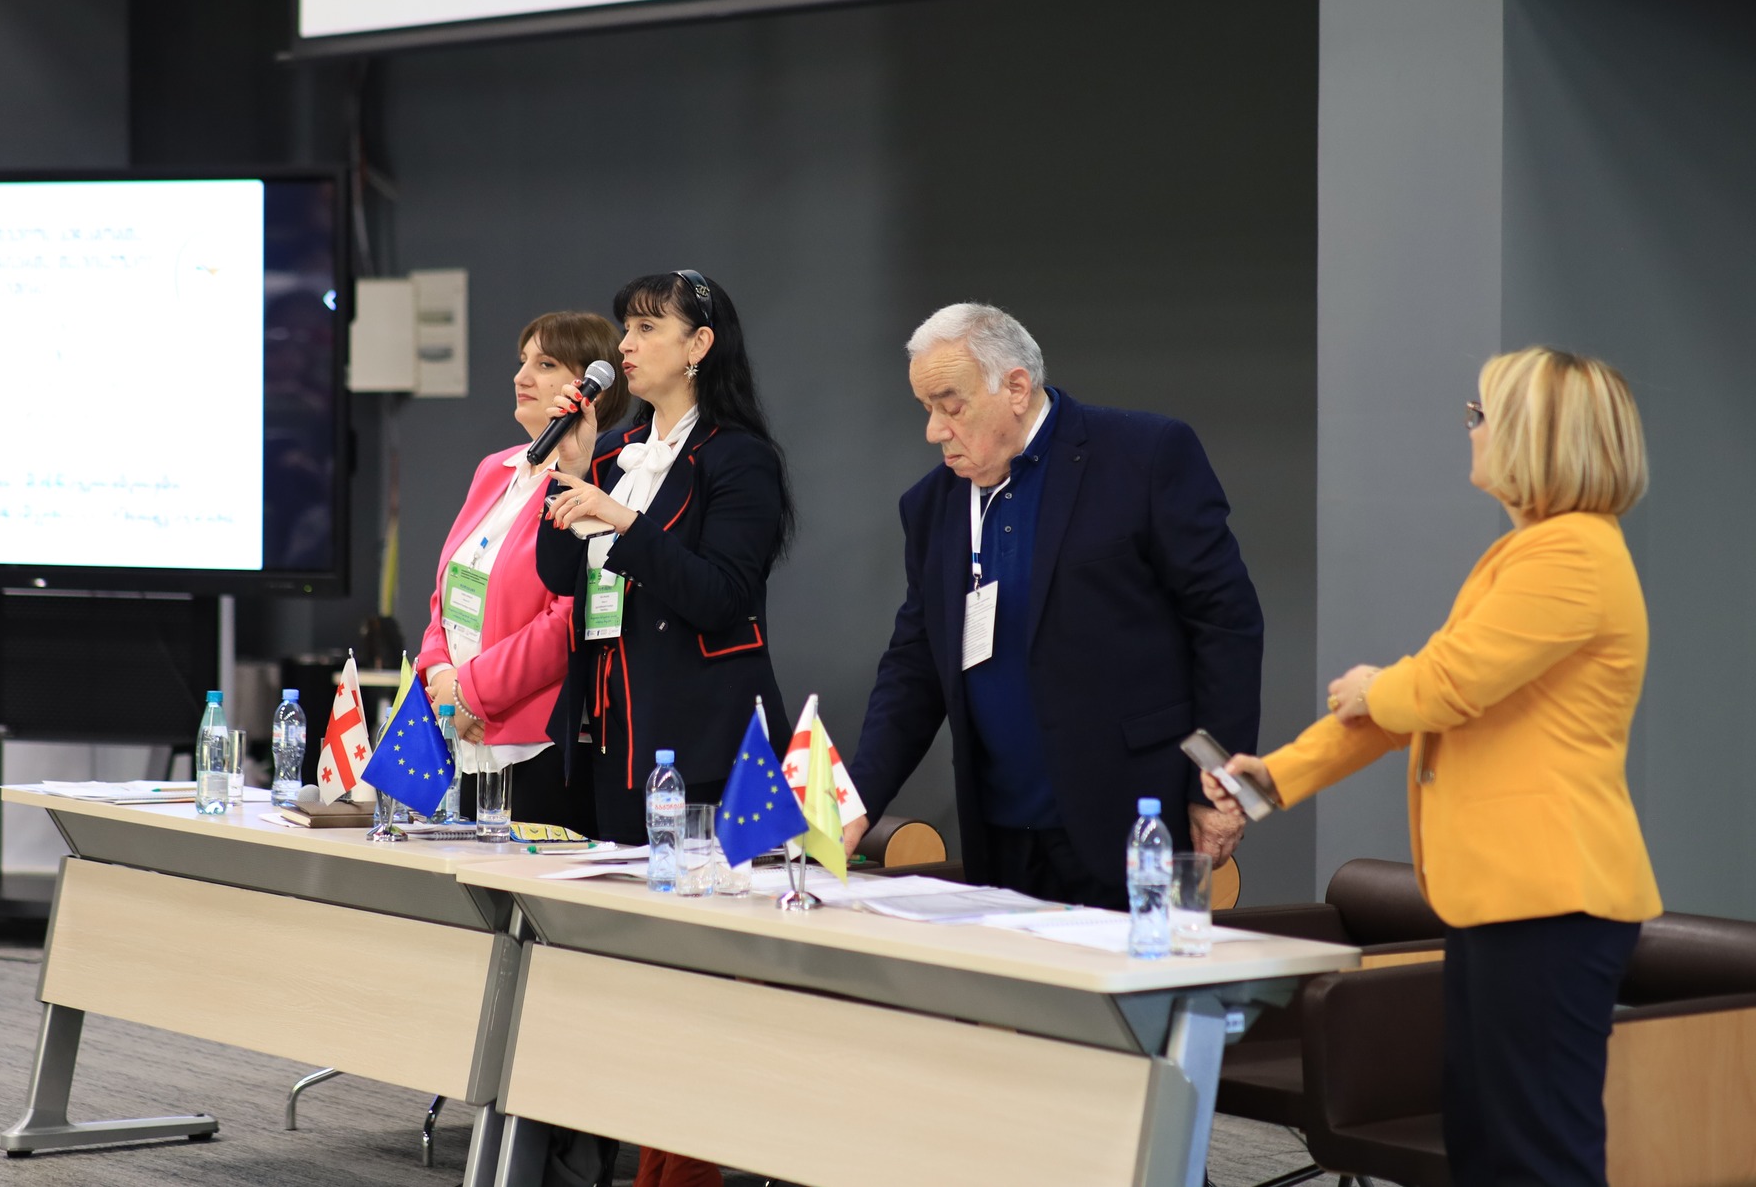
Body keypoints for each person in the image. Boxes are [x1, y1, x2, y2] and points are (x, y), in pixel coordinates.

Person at [1206, 346, 1660, 1187]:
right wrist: (1271, 777)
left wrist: (1377, 684)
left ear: (1534, 434)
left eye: (1480, 414)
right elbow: (1410, 705)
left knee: (1534, 1150)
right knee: (1486, 1138)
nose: (1470, 430)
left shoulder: (1571, 556)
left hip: (1549, 897)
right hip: (1509, 898)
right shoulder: (1527, 554)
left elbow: (1440, 686)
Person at [844, 302, 1262, 908]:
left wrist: (1220, 791)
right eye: (926, 408)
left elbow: (1226, 626)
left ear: (1016, 388)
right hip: (1000, 831)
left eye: (951, 406)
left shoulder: (1144, 456)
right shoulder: (931, 506)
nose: (935, 430)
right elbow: (915, 665)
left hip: (1134, 818)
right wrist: (855, 800)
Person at [535, 269, 793, 844]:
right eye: (626, 328)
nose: (625, 345)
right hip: (615, 730)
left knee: (698, 893)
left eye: (647, 328)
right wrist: (570, 469)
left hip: (703, 739)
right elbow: (557, 575)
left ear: (699, 344)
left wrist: (627, 522)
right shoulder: (614, 451)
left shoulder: (739, 457)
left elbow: (722, 598)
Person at [414, 311, 628, 837]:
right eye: (523, 361)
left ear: (589, 389)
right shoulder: (496, 468)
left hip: (533, 745)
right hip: (458, 732)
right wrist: (441, 678)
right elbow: (446, 594)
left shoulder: (601, 480)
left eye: (546, 364)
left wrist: (471, 693)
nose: (522, 376)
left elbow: (568, 619)